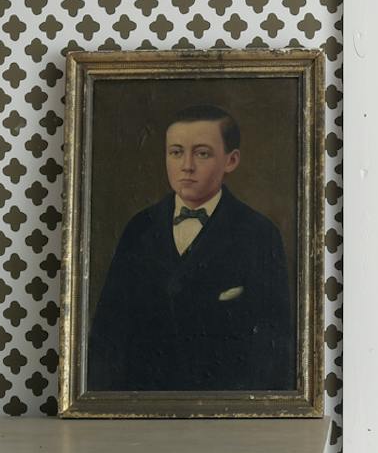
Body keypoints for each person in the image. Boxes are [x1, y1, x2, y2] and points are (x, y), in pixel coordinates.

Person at [87, 102, 295, 392]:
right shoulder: (139, 228)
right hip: (142, 402)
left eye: (202, 153)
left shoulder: (257, 233)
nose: (186, 165)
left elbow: (275, 346)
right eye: (176, 152)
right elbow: (107, 334)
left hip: (223, 403)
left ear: (231, 161)